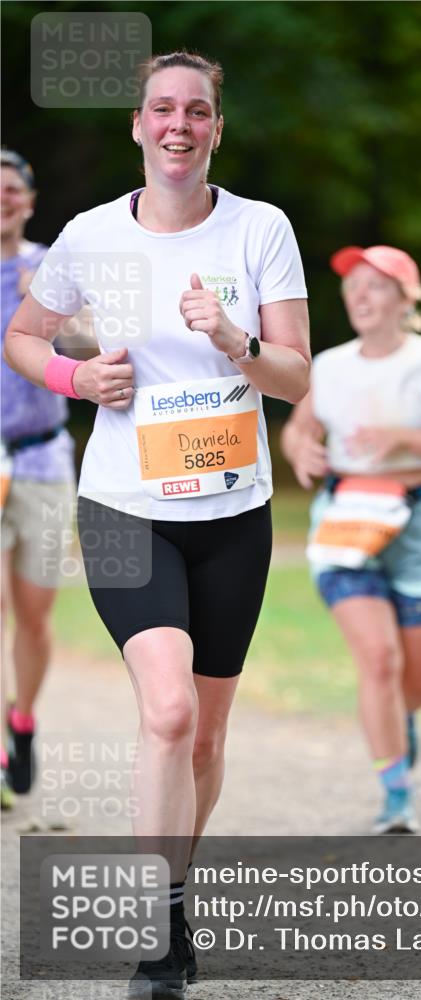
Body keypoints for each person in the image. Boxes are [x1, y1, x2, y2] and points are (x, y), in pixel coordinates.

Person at [4, 51, 310, 997]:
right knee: (166, 709)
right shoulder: (90, 237)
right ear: (137, 125)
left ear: (217, 128)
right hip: (124, 505)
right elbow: (22, 335)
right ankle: (159, 929)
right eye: (162, 109)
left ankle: (175, 895)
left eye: (198, 111)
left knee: (205, 737)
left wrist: (236, 343)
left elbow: (296, 376)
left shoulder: (260, 230)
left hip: (232, 512)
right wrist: (74, 377)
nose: (179, 124)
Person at [281, 245, 421, 835]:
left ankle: (403, 719)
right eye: (351, 287)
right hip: (348, 524)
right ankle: (396, 795)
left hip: (419, 526)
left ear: (405, 298)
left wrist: (399, 435)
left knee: (414, 684)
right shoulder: (330, 365)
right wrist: (303, 448)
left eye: (374, 285)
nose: (359, 297)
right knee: (379, 660)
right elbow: (298, 428)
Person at [1, 149, 78, 808]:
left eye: (11, 190)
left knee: (33, 614)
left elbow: (94, 343)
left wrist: (50, 307)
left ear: (28, 199)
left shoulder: (53, 266)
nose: (2, 198)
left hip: (41, 460)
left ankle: (21, 719)